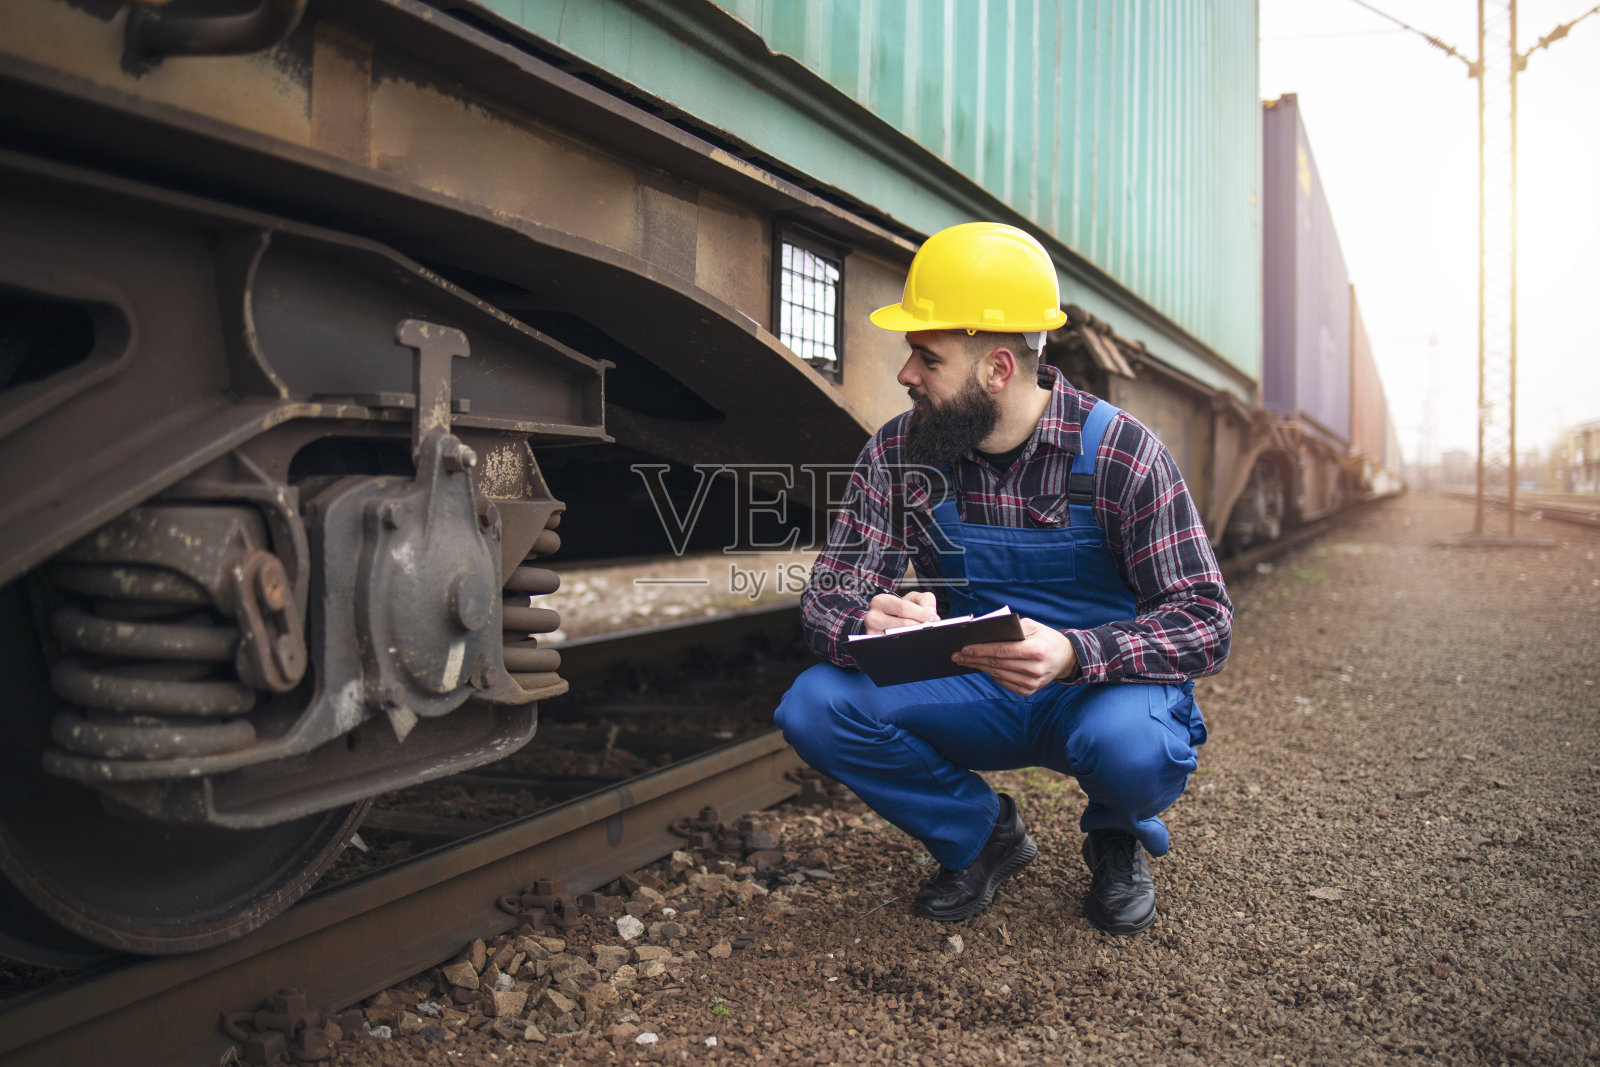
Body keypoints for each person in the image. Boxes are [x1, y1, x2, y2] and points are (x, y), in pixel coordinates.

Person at [774, 221, 1231, 934]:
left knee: (1135, 747)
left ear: (998, 369)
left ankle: (1115, 832)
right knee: (815, 706)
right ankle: (983, 836)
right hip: (974, 686)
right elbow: (827, 596)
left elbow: (1206, 617)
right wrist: (867, 619)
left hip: (1094, 692)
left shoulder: (1122, 454)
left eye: (928, 357)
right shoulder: (900, 454)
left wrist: (1080, 651)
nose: (906, 375)